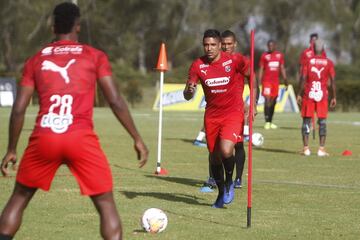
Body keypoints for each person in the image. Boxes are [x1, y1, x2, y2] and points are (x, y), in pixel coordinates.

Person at [0, 2, 148, 240]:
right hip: (80, 137)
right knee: (106, 204)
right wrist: (137, 138)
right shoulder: (94, 56)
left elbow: (18, 109)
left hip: (44, 137)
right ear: (78, 26)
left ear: (53, 27)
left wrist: (10, 149)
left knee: (19, 198)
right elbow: (116, 101)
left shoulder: (35, 60)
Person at [183, 29, 256, 208]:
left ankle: (230, 181)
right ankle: (221, 191)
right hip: (212, 115)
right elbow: (187, 94)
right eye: (206, 45)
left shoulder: (234, 60)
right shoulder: (198, 65)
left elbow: (252, 77)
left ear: (219, 45)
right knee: (214, 157)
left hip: (233, 112)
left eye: (213, 45)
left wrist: (253, 103)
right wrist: (189, 91)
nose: (209, 48)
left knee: (226, 149)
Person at [199, 30, 250, 193]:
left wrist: (251, 103)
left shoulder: (238, 61)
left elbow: (252, 78)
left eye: (230, 44)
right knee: (214, 148)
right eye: (225, 44)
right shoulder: (214, 61)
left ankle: (237, 179)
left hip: (236, 110)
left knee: (238, 144)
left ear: (235, 44)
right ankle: (213, 178)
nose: (227, 47)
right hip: (217, 111)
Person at [297, 39, 336, 156]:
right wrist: (334, 96)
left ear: (313, 48)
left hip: (309, 94)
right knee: (322, 122)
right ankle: (321, 149)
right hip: (322, 95)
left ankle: (306, 149)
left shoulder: (308, 62)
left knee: (306, 121)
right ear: (323, 48)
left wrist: (299, 93)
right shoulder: (329, 62)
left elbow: (303, 78)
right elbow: (333, 81)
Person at [258, 39, 288, 130]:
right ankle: (266, 122)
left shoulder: (279, 56)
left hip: (276, 82)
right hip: (266, 81)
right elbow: (261, 69)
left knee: (273, 101)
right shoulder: (264, 56)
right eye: (268, 46)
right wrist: (259, 81)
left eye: (272, 46)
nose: (270, 47)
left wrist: (285, 79)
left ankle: (270, 122)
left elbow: (282, 68)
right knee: (267, 100)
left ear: (275, 46)